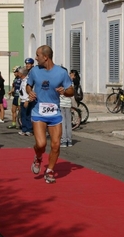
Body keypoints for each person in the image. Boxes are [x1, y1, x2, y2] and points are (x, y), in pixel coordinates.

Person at [26, 45, 74, 183]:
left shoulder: (61, 72)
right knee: (41, 144)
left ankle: (50, 170)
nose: (35, 58)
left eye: (37, 55)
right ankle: (38, 157)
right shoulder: (35, 71)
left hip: (54, 113)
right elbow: (29, 85)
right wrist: (30, 92)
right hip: (38, 111)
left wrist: (64, 92)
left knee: (55, 145)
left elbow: (71, 91)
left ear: (45, 57)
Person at [17, 67, 33, 136]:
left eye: (18, 72)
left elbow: (30, 91)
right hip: (22, 100)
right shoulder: (22, 80)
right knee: (23, 115)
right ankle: (24, 129)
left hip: (27, 100)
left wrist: (27, 100)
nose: (17, 74)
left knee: (28, 115)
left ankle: (29, 130)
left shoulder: (27, 81)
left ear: (21, 74)